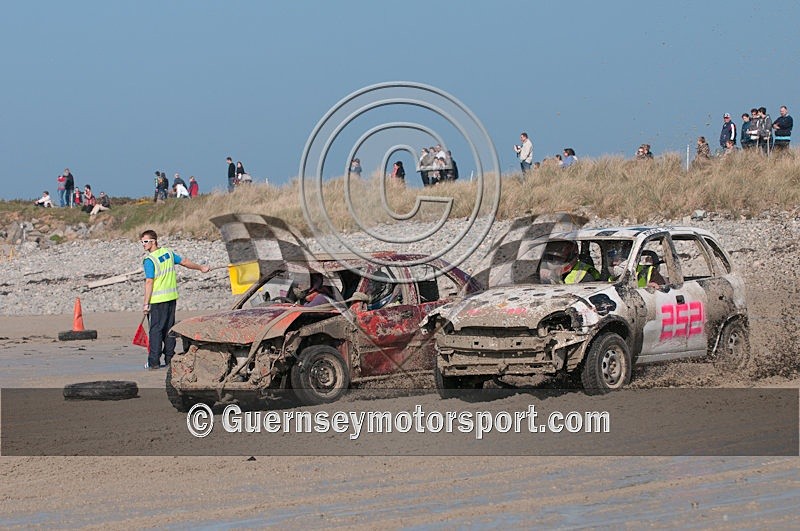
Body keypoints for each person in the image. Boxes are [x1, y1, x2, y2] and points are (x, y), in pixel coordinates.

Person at [140, 230, 210, 369]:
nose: (143, 244)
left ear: (154, 241)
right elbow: (184, 262)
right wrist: (200, 268)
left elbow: (149, 281)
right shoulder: (168, 253)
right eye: (142, 242)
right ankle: (170, 359)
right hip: (171, 298)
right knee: (168, 329)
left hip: (158, 300)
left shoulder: (150, 260)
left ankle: (154, 361)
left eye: (146, 241)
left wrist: (146, 303)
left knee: (156, 331)